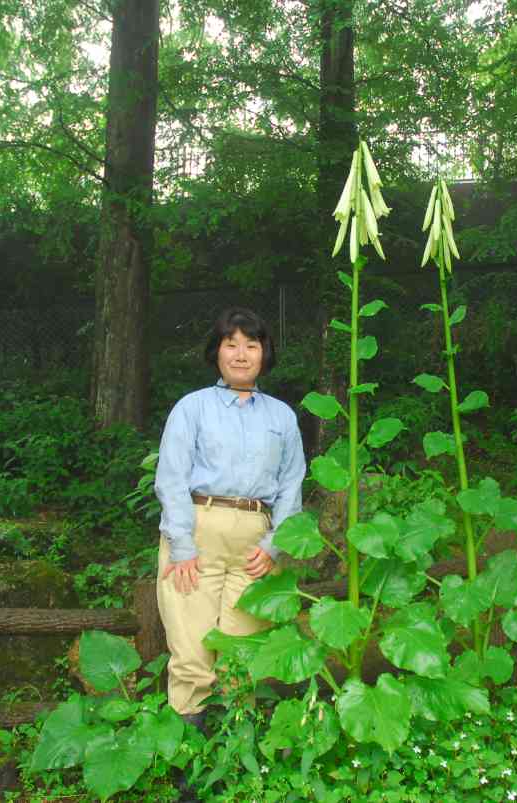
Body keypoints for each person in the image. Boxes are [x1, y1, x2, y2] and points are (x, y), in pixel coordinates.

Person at [153, 307, 306, 729]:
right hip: (195, 538)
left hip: (254, 545)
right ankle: (190, 771)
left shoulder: (282, 417)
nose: (241, 354)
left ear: (264, 353)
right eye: (231, 343)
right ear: (217, 352)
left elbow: (293, 484)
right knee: (192, 653)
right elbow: (171, 477)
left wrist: (274, 545)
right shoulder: (193, 408)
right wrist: (181, 547)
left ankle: (236, 760)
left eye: (251, 345)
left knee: (243, 652)